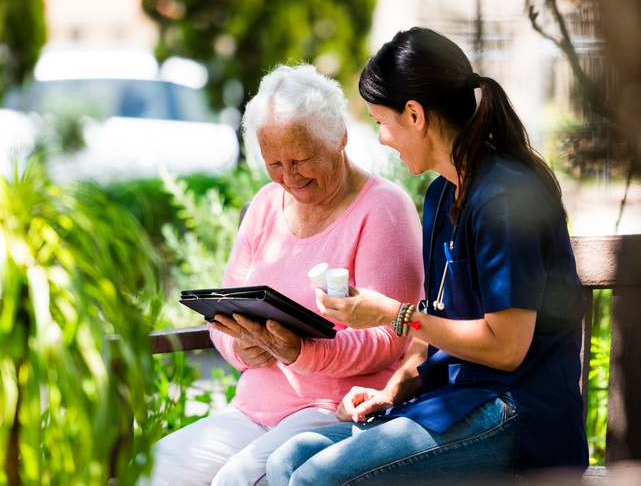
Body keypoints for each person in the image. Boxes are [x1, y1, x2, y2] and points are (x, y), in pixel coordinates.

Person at [266, 28, 588, 486]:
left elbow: (507, 346)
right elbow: (437, 315)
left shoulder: (505, 197)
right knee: (287, 461)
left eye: (381, 121)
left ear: (414, 114)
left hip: (517, 414)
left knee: (315, 480)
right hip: (456, 402)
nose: (381, 138)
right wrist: (393, 389)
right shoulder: (442, 194)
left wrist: (394, 315)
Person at [145, 64, 425, 486]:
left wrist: (300, 352)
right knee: (155, 468)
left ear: (339, 138)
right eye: (273, 162)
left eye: (301, 159)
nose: (289, 177)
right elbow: (222, 314)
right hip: (252, 410)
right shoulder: (264, 205)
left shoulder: (384, 208)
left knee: (236, 482)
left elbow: (389, 338)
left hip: (334, 409)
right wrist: (244, 347)